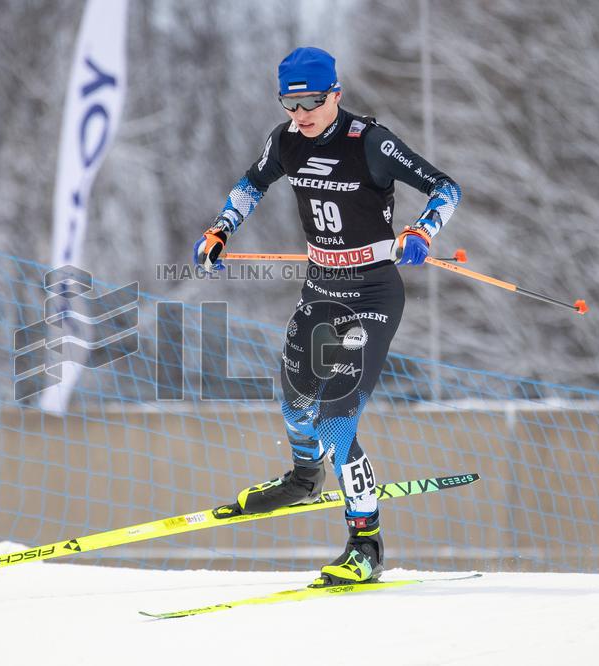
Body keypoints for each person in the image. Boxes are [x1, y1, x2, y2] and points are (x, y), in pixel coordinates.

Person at [193, 46, 461, 587]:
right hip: (321, 289)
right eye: (292, 104)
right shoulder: (284, 140)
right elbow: (252, 183)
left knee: (336, 416)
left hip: (372, 295)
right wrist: (222, 228)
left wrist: (422, 230)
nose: (303, 114)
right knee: (294, 398)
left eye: (314, 101)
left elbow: (446, 187)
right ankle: (304, 478)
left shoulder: (371, 142)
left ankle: (366, 543)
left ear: (335, 92)